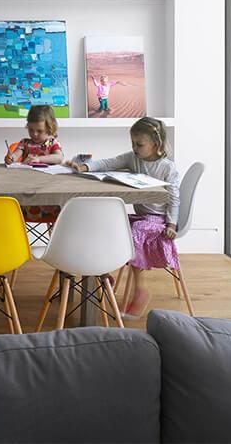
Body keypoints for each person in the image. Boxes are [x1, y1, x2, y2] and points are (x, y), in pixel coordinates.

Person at [67, 117, 180, 319]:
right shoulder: (133, 158)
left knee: (134, 235)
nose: (135, 148)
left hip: (158, 219)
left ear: (157, 144)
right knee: (106, 223)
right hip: (140, 216)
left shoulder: (167, 168)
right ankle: (103, 272)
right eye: (132, 143)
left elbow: (174, 198)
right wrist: (84, 167)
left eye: (140, 144)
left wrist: (171, 223)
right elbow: (109, 162)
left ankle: (140, 291)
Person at [5, 105, 65, 223]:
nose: (35, 134)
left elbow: (59, 158)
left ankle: (55, 239)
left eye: (39, 131)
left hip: (49, 197)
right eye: (31, 130)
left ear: (50, 128)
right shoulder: (25, 143)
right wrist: (11, 158)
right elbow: (16, 154)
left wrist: (40, 159)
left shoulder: (52, 143)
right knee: (8, 206)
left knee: (62, 210)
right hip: (26, 196)